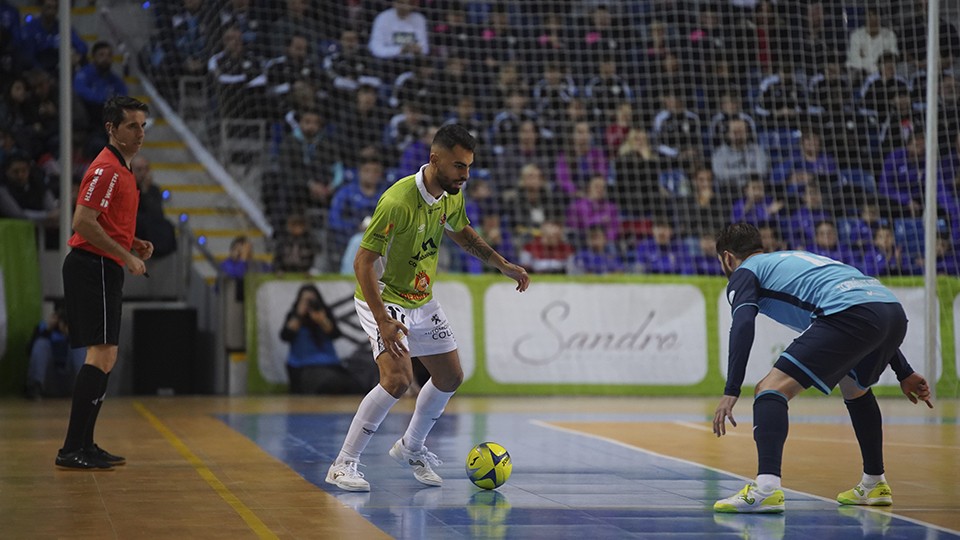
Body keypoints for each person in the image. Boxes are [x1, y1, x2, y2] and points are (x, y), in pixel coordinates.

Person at [325, 124, 530, 492]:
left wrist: (503, 264)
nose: (465, 175)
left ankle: (411, 447)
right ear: (434, 160)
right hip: (384, 297)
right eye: (458, 167)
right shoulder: (397, 201)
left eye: (468, 167)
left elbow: (462, 232)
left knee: (450, 376)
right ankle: (343, 464)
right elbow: (362, 263)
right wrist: (384, 320)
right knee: (398, 379)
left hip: (421, 298)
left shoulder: (451, 193)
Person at [711, 222, 932, 513]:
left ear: (727, 258)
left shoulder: (744, 273)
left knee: (769, 389)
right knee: (855, 386)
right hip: (890, 308)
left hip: (850, 313)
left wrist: (731, 390)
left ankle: (766, 488)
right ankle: (874, 482)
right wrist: (903, 371)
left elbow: (741, 325)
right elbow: (868, 312)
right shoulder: (789, 258)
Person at [56, 96, 153, 470]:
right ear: (111, 129)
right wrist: (125, 255)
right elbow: (82, 222)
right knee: (102, 354)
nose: (140, 133)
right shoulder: (106, 170)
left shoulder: (123, 170)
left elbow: (105, 222)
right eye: (132, 125)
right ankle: (71, 448)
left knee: (104, 356)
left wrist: (132, 243)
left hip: (102, 264)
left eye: (143, 125)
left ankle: (85, 444)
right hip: (92, 265)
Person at [281, 284, 368, 395]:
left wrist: (321, 320)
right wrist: (299, 314)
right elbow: (286, 335)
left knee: (355, 386)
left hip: (330, 365)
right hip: (305, 367)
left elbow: (334, 334)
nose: (310, 304)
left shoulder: (324, 314)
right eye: (306, 301)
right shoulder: (294, 317)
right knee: (330, 383)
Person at [25, 303, 85, 400]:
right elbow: (29, 352)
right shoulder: (44, 329)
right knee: (41, 343)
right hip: (48, 380)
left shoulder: (78, 330)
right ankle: (35, 387)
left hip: (72, 380)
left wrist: (71, 335)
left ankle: (85, 388)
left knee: (79, 347)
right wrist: (47, 330)